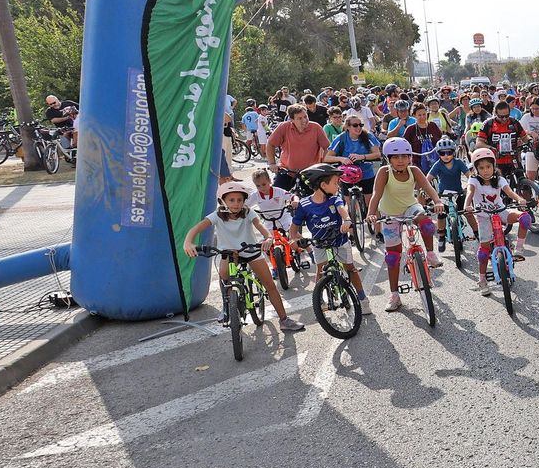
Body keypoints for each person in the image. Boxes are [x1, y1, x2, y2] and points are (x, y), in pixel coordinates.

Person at [180, 181, 304, 331]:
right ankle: (227, 306)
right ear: (222, 201)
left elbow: (260, 225)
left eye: (240, 200)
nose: (236, 204)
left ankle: (284, 320)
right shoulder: (217, 215)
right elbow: (196, 229)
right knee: (224, 275)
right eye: (231, 200)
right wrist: (188, 242)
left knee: (270, 285)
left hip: (250, 250)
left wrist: (268, 238)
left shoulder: (248, 212)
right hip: (229, 252)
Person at [367, 137, 444, 312]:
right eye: (395, 157)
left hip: (411, 207)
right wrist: (371, 213)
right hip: (390, 213)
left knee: (427, 224)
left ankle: (431, 254)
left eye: (404, 156)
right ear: (388, 159)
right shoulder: (384, 172)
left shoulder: (414, 170)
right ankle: (394, 295)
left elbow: (428, 187)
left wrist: (437, 201)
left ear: (410, 157)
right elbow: (376, 194)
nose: (400, 160)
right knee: (392, 257)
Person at [289, 163, 370, 309]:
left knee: (350, 268)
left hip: (340, 240)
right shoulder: (305, 204)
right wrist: (296, 239)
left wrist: (346, 220)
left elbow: (342, 210)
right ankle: (319, 299)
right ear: (323, 185)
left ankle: (363, 299)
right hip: (319, 243)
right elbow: (293, 230)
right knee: (321, 271)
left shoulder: (334, 199)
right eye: (335, 182)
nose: (338, 186)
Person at [464, 146, 529, 296]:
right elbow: (470, 192)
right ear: (476, 169)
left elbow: (509, 192)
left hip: (501, 212)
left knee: (525, 218)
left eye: (488, 166)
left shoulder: (499, 179)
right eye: (481, 168)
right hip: (484, 216)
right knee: (483, 251)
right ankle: (482, 280)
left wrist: (519, 199)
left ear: (494, 166)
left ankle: (518, 249)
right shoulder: (473, 180)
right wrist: (467, 205)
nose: (485, 170)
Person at [266, 104, 330, 191]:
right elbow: (270, 144)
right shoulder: (284, 127)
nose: (304, 120)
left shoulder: (316, 127)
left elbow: (327, 147)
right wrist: (272, 163)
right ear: (292, 120)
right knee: (277, 197)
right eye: (299, 118)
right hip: (287, 171)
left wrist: (323, 164)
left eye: (305, 116)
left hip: (310, 172)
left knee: (314, 200)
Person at [427, 137, 469, 251]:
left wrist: (470, 185)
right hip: (444, 195)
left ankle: (476, 232)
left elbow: (469, 175)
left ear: (453, 152)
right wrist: (424, 189)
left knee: (466, 211)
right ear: (438, 154)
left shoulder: (459, 163)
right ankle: (441, 237)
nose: (446, 156)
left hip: (458, 192)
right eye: (442, 153)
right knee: (441, 215)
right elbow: (427, 179)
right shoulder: (438, 164)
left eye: (449, 152)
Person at [477, 97, 527, 182]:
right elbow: (479, 143)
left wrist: (530, 141)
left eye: (506, 116)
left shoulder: (514, 122)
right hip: (496, 161)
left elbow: (524, 137)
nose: (504, 119)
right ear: (495, 113)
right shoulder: (488, 124)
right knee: (500, 187)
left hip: (513, 159)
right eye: (501, 116)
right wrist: (490, 148)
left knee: (525, 185)